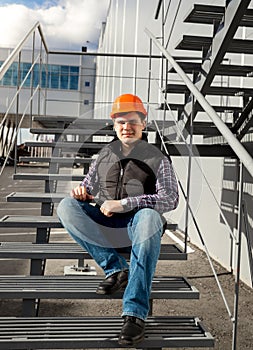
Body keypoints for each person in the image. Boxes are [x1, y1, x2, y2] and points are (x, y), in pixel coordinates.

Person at [57, 93, 179, 346]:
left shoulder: (158, 158)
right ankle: (116, 268)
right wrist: (82, 192)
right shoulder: (103, 155)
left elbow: (170, 199)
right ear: (114, 125)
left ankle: (134, 314)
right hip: (108, 226)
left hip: (140, 228)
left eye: (133, 121)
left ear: (143, 124)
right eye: (121, 122)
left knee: (148, 217)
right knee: (67, 206)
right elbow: (88, 186)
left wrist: (125, 204)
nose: (127, 127)